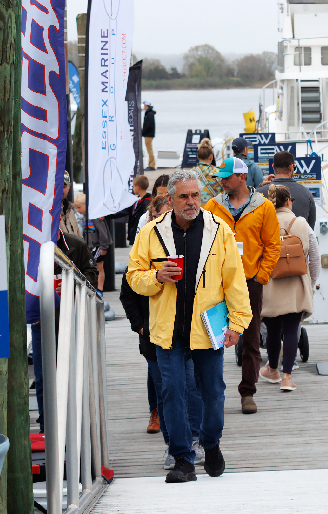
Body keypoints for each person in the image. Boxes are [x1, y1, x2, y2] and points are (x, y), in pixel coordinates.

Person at [127, 169, 252, 483]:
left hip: (207, 328)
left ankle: (210, 443)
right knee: (171, 392)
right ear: (170, 199)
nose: (191, 201)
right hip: (167, 331)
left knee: (213, 393)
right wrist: (156, 277)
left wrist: (237, 323)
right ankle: (183, 457)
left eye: (196, 195)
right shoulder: (151, 233)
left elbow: (235, 281)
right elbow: (133, 277)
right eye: (183, 196)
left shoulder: (219, 230)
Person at [121, 195, 206, 469]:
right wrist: (142, 326)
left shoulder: (193, 242)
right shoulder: (145, 246)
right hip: (155, 336)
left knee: (192, 387)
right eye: (164, 216)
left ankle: (194, 439)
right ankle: (173, 446)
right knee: (166, 390)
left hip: (189, 332)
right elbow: (128, 292)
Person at [203, 157, 281, 414]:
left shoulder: (264, 207)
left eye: (227, 177)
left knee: (251, 337)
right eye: (221, 178)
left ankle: (248, 391)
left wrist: (261, 275)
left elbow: (272, 245)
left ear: (243, 177)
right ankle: (211, 391)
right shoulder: (212, 206)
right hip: (217, 282)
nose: (222, 181)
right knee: (211, 335)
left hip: (250, 282)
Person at [30, 224, 98, 434]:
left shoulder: (76, 244)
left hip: (72, 318)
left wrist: (71, 285)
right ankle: (46, 426)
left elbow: (92, 276)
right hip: (41, 319)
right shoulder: (30, 244)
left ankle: (76, 426)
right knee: (43, 377)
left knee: (74, 373)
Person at [259, 184, 320, 392]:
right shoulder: (301, 223)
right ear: (288, 202)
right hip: (296, 284)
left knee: (273, 331)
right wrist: (310, 284)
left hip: (270, 285)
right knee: (292, 330)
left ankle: (273, 370)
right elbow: (315, 257)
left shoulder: (263, 221)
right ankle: (287, 378)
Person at [258, 150, 316, 229]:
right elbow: (310, 227)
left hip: (268, 241)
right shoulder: (306, 193)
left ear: (273, 166)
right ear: (291, 167)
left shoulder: (259, 193)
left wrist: (260, 186)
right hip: (298, 240)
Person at [76, 192, 111, 291]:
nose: (78, 210)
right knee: (95, 266)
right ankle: (96, 287)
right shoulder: (84, 216)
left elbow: (103, 232)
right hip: (92, 246)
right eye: (76, 208)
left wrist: (104, 247)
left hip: (99, 245)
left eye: (79, 207)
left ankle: (99, 289)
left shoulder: (95, 216)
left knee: (98, 267)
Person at [108, 175, 152, 244]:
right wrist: (107, 215)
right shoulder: (136, 202)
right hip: (135, 234)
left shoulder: (147, 202)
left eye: (133, 187)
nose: (133, 188)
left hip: (142, 236)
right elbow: (123, 211)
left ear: (138, 187)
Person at [59, 171, 81, 237]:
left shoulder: (70, 211)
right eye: (57, 186)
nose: (60, 190)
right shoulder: (48, 213)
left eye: (63, 186)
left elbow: (80, 241)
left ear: (69, 186)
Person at [142, 101, 156, 170]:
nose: (144, 107)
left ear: (147, 106)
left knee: (149, 149)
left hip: (148, 134)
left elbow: (149, 125)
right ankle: (151, 164)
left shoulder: (149, 114)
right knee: (149, 149)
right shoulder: (149, 113)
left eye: (145, 105)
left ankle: (152, 164)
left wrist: (143, 132)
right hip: (148, 134)